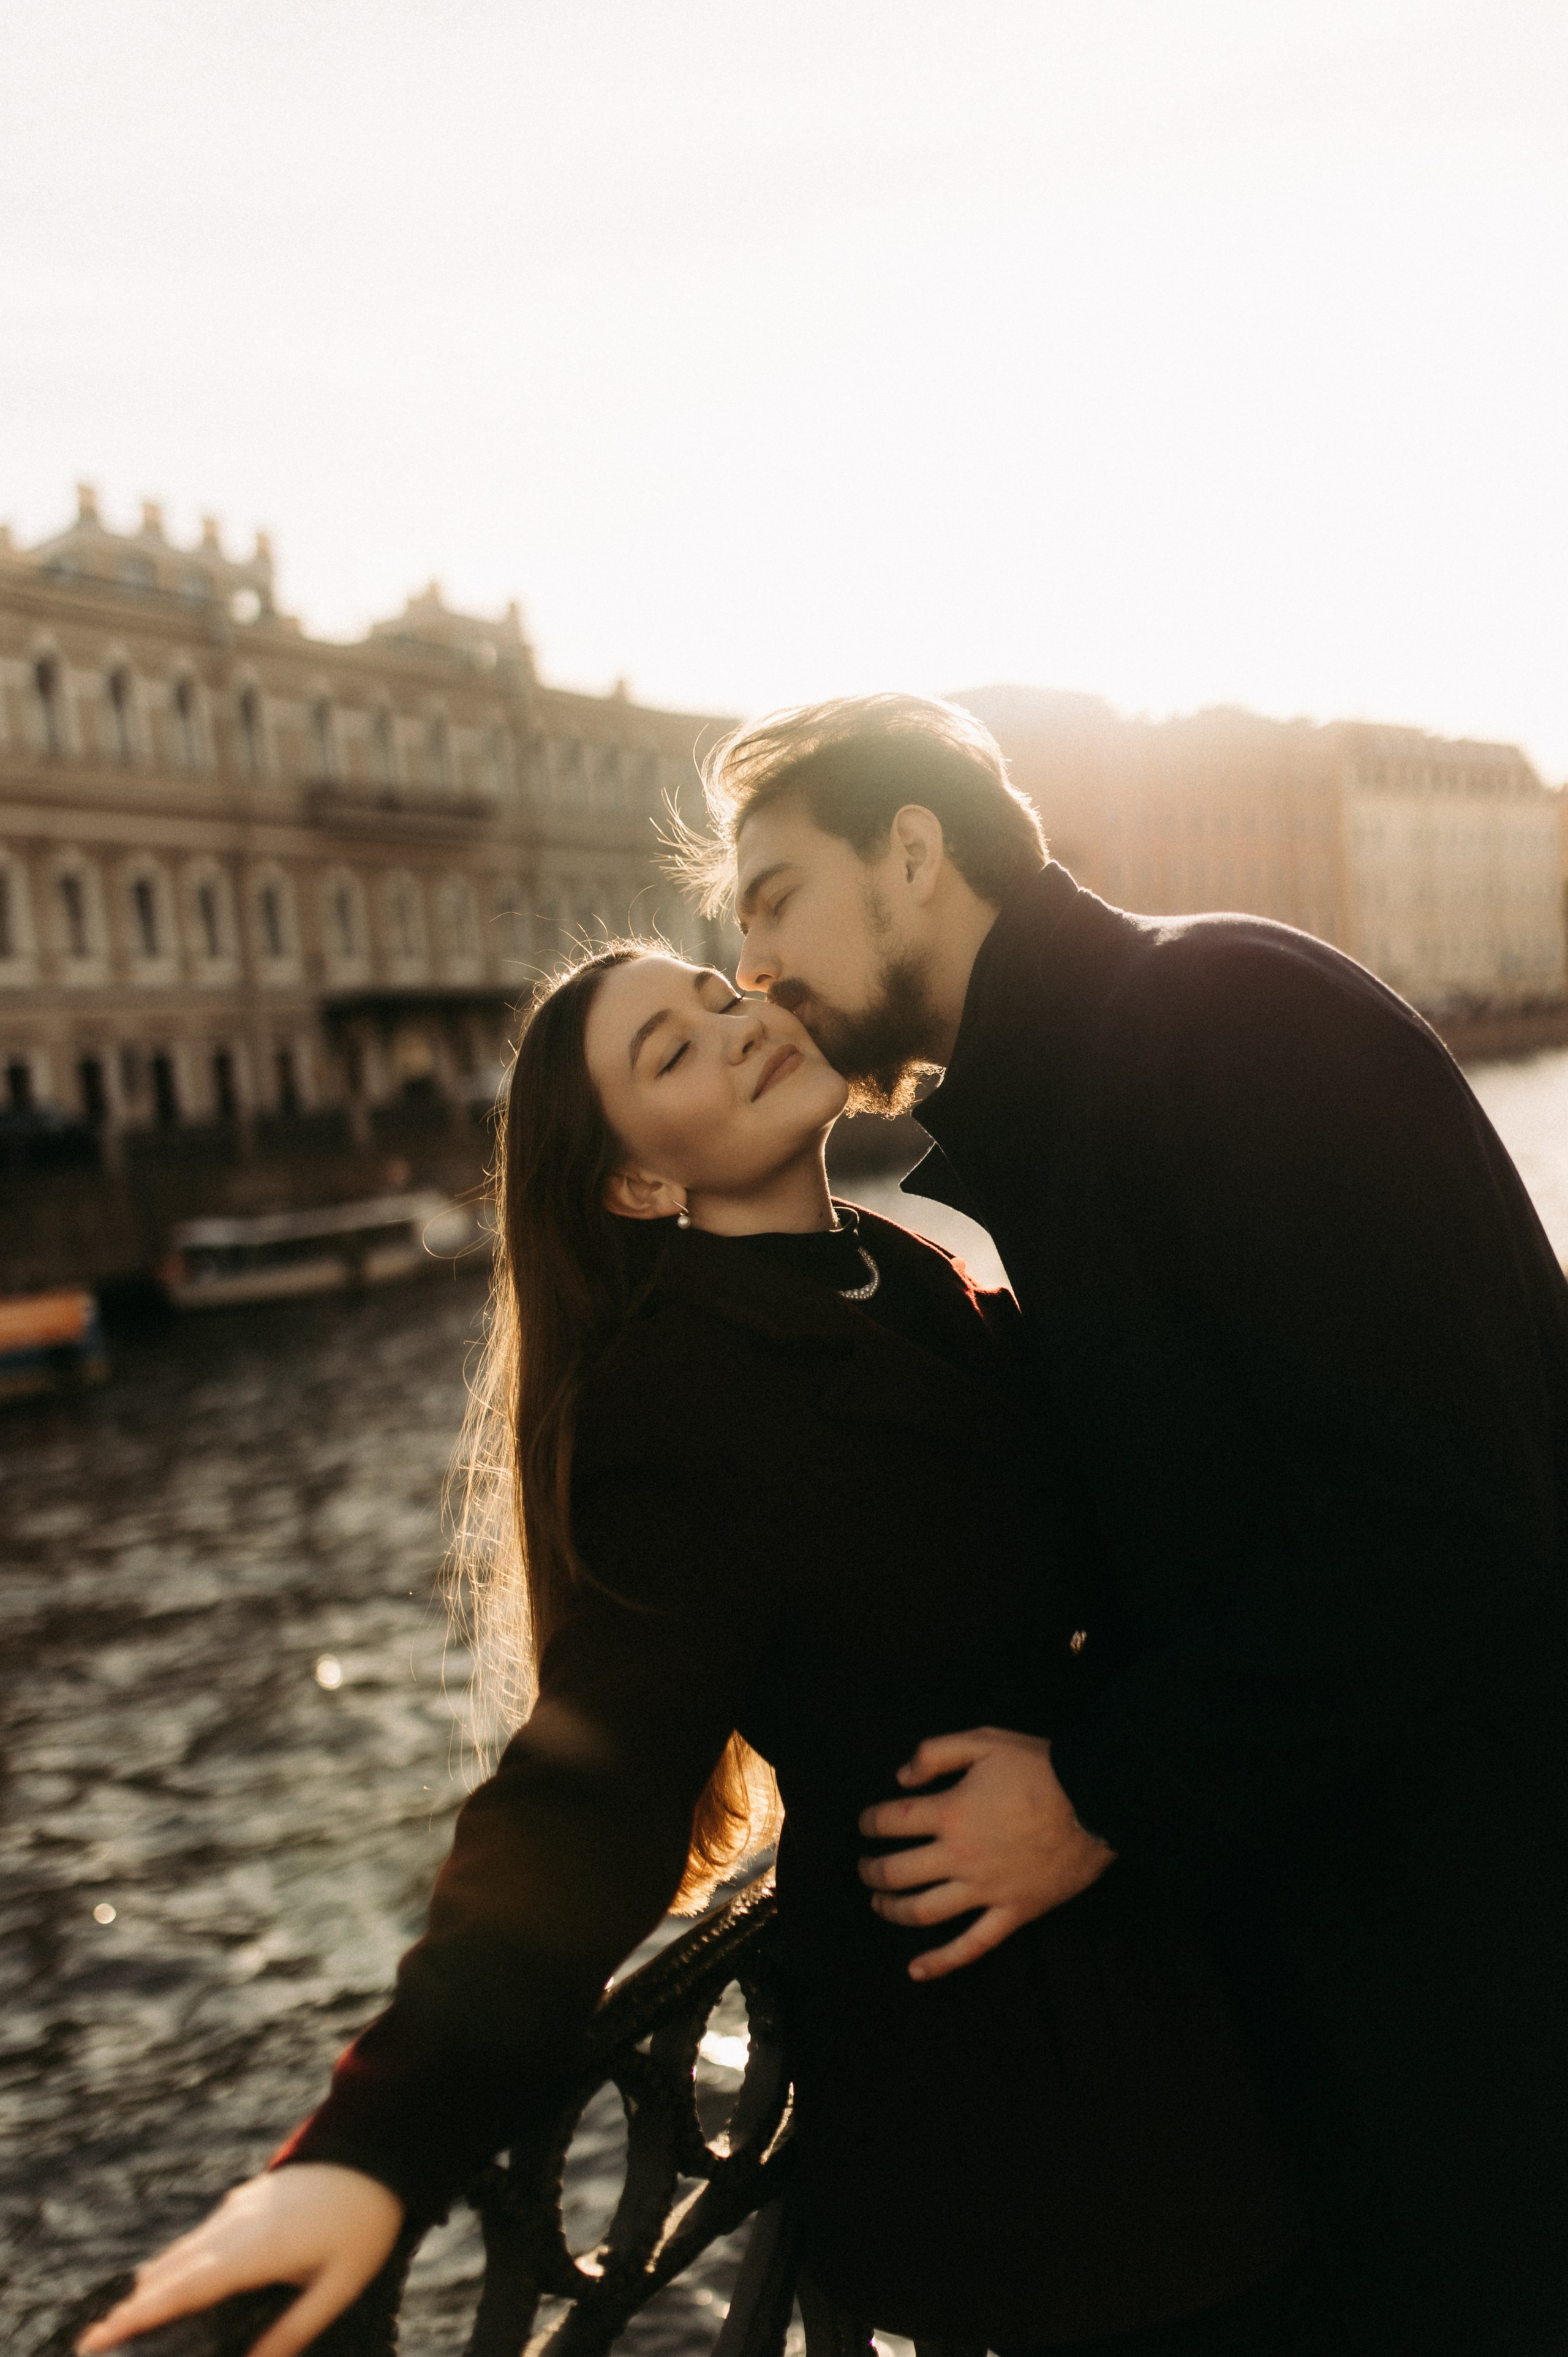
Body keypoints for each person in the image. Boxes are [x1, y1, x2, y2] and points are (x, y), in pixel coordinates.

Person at [83, 942, 1315, 2357]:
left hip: (1146, 1990)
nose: (735, 1031)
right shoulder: (672, 1409)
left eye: (718, 999)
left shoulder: (895, 1266)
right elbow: (588, 1795)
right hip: (1011, 2093)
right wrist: (368, 2146)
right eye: (669, 1053)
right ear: (637, 1183)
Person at [691, 691, 1568, 2357]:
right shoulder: (1106, 1074)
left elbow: (1451, 1522)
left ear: (914, 851)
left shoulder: (1216, 1017)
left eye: (775, 899)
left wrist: (1100, 1791)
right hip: (1388, 1997)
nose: (759, 967)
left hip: (1476, 2013)